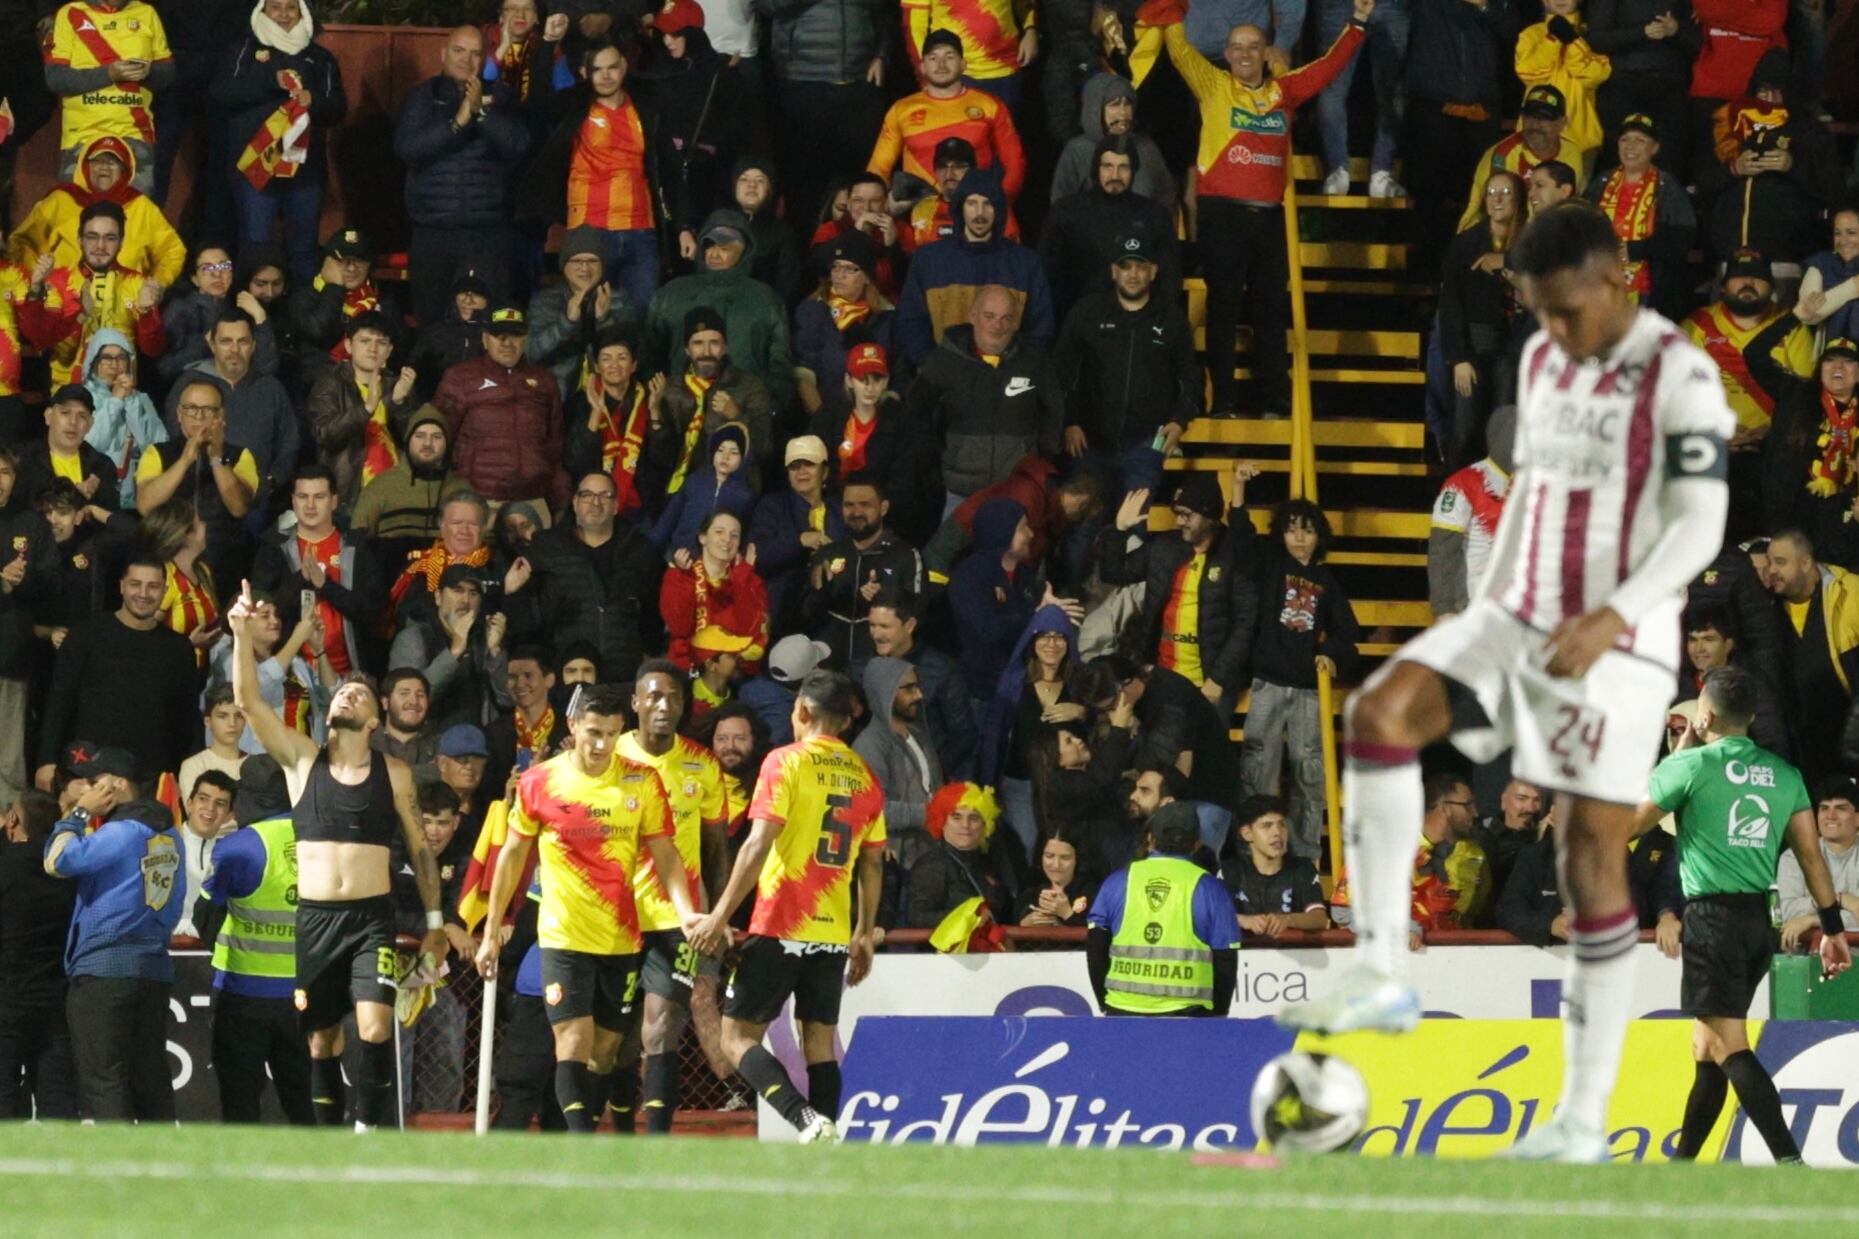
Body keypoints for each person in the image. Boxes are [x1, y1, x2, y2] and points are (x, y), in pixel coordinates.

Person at [1279, 205, 1736, 1165]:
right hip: (1526, 609)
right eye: (1538, 312)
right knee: (1377, 713)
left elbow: (1694, 528)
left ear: (1613, 276)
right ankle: (1380, 961)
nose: (1554, 332)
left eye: (1564, 307)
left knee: (1584, 849)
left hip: (1628, 629)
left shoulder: (1681, 376)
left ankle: (1577, 1118)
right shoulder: (1539, 364)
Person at [226, 580, 447, 1133]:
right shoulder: (303, 761)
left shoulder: (393, 773)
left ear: (375, 722)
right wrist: (238, 633)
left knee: (374, 1028)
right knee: (322, 1039)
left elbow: (421, 849)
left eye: (360, 694)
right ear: (330, 716)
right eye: (342, 693)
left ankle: (368, 1133)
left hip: (371, 919)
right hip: (316, 921)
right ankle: (328, 1145)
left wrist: (438, 921)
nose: (347, 695)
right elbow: (250, 703)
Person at [1637, 665, 1851, 1163]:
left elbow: (1632, 821)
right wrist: (1832, 930)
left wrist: (1678, 756)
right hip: (1759, 920)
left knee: (1728, 1046)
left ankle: (1789, 1161)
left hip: (1712, 920)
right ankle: (1681, 1168)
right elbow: (1811, 857)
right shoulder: (1785, 774)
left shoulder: (1691, 765)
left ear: (1703, 713)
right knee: (1706, 1052)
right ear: (1752, 716)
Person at [472, 683, 697, 1133]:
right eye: (593, 732)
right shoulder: (541, 782)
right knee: (572, 1041)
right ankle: (581, 1154)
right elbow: (513, 855)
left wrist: (686, 911)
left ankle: (589, 1137)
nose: (601, 745)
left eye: (612, 734)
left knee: (606, 1053)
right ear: (573, 726)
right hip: (563, 937)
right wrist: (492, 928)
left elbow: (666, 854)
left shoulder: (641, 781)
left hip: (620, 938)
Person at [684, 669, 887, 1143]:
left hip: (780, 924)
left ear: (801, 712)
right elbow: (873, 864)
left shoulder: (785, 762)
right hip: (833, 931)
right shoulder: (865, 776)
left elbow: (757, 844)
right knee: (819, 1045)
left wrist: (719, 916)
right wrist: (863, 932)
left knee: (736, 1038)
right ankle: (823, 1146)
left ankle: (804, 1119)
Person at [1151, 0, 1371, 415]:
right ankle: (1225, 401)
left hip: (1269, 217)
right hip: (1222, 214)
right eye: (1239, 47)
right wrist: (1171, 9)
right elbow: (1179, 50)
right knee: (1224, 307)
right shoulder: (1213, 85)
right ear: (1228, 54)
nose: (1247, 53)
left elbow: (1328, 67)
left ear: (1267, 52)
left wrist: (1357, 22)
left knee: (1271, 311)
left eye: (1255, 46)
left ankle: (1275, 398)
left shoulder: (1283, 93)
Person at [613, 662, 727, 1134]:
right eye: (654, 697)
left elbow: (718, 849)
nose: (663, 706)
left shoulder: (702, 765)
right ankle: (621, 1134)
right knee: (616, 1039)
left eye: (673, 698)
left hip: (675, 918)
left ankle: (656, 1144)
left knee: (660, 1027)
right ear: (636, 703)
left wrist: (718, 916)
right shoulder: (607, 755)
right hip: (612, 918)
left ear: (684, 704)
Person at [41, 753, 180, 1122]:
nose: (87, 788)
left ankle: (118, 1173)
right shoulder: (169, 835)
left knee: (104, 1080)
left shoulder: (120, 832)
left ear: (117, 785)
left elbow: (58, 861)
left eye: (95, 781)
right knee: (150, 1079)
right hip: (153, 970)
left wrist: (78, 813)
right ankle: (164, 1172)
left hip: (104, 970)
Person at [1239, 498, 1360, 859]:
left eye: (1307, 530)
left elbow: (1349, 630)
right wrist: (1240, 492)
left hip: (1308, 687)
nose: (1299, 538)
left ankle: (1305, 857)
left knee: (1310, 772)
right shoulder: (1272, 566)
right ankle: (1252, 854)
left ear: (1319, 535)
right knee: (1259, 767)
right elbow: (1242, 541)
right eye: (1291, 530)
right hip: (1268, 682)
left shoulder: (1325, 580)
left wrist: (1332, 653)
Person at [199, 754, 314, 1124]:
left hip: (244, 994)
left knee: (241, 1103)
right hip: (303, 995)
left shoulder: (239, 846)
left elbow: (206, 920)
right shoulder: (318, 836)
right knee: (302, 1102)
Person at [394, 25, 530, 329]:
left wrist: (481, 113)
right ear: (444, 54)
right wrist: (458, 122)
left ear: (483, 60)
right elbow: (407, 148)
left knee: (489, 326)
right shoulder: (423, 96)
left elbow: (518, 145)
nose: (466, 60)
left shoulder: (501, 96)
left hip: (487, 234)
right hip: (433, 232)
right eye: (458, 51)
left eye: (475, 53)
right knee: (433, 324)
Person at [1101, 471, 1260, 715]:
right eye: (1178, 514)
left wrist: (1218, 679)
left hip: (1209, 683)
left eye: (1187, 515)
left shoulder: (1233, 555)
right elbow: (1115, 573)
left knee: (1208, 752)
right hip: (1162, 677)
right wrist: (1119, 530)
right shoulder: (1164, 546)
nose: (1179, 521)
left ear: (1209, 516)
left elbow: (1245, 623)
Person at [36, 557, 198, 794]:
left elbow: (185, 719)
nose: (143, 593)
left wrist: (182, 775)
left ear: (165, 591)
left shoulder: (179, 648)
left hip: (150, 780)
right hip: (84, 772)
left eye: (153, 586)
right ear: (121, 586)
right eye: (135, 584)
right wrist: (46, 760)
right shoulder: (85, 635)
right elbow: (59, 701)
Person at [1053, 232, 1199, 496]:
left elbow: (1191, 376)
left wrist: (1180, 420)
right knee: (1083, 527)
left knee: (1135, 528)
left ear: (1153, 271)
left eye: (1141, 266)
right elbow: (1061, 372)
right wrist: (1069, 422)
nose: (1133, 274)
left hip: (1145, 443)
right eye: (1125, 266)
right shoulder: (1087, 312)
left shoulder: (1172, 320)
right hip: (1089, 442)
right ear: (1113, 271)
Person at [211, 0, 348, 281]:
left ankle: (303, 321)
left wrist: (315, 102)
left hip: (305, 173)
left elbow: (338, 107)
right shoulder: (244, 50)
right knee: (255, 248)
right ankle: (254, 320)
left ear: (303, 13)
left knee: (304, 251)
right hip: (256, 169)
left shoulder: (321, 57)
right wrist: (268, 81)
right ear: (261, 11)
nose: (284, 15)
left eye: (291, 8)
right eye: (275, 7)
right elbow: (221, 93)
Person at [908, 287, 1063, 509]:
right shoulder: (944, 361)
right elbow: (917, 412)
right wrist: (934, 465)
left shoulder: (1035, 359)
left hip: (1018, 490)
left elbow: (1053, 410)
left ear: (1016, 321)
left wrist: (1042, 462)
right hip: (959, 491)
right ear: (972, 315)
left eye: (1006, 318)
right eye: (989, 316)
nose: (997, 326)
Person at [1085, 801, 1240, 1016]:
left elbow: (1096, 948)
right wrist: (1219, 1015)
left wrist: (1105, 1003)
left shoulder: (1117, 882)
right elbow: (1226, 960)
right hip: (1188, 1014)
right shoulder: (1211, 889)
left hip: (1122, 1010)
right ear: (1197, 844)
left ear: (1150, 838)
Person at [515, 469, 663, 686]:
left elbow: (652, 612)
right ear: (574, 503)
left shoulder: (640, 550)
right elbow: (529, 612)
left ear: (615, 506)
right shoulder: (546, 547)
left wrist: (649, 653)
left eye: (605, 495)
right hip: (564, 672)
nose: (596, 502)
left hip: (623, 674)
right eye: (587, 495)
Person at [893, 167, 1054, 364]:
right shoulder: (928, 259)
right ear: (960, 207)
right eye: (972, 203)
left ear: (999, 209)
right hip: (944, 382)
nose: (979, 213)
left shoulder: (1025, 263)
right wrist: (934, 368)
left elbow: (1040, 328)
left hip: (1004, 383)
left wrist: (1016, 372)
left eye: (987, 204)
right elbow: (911, 322)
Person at [1679, 249, 1815, 467]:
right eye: (1738, 277)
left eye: (1758, 277)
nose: (1748, 283)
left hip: (1774, 447)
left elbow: (1804, 394)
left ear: (1771, 287)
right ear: (1723, 287)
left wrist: (1773, 432)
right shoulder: (1696, 326)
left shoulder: (1792, 327)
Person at [645, 215, 795, 411]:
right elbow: (649, 355)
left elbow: (780, 364)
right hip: (679, 411)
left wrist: (767, 410)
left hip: (744, 412)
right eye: (709, 246)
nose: (714, 254)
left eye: (724, 248)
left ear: (744, 252)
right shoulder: (672, 293)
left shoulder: (765, 299)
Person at [764, 0, 889, 231]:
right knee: (804, 182)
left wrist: (881, 54)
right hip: (802, 79)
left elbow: (884, 8)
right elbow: (766, 5)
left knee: (856, 179)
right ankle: (805, 255)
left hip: (859, 79)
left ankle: (856, 253)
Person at [251, 465, 382, 680]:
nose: (310, 505)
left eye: (319, 497)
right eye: (303, 497)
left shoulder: (358, 547)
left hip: (351, 676)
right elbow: (264, 613)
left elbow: (372, 611)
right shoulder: (273, 548)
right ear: (293, 501)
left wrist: (326, 585)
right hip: (291, 677)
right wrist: (301, 580)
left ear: (333, 501)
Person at [433, 305, 568, 512]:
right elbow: (439, 440)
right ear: (485, 339)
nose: (508, 343)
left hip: (533, 501)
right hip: (478, 501)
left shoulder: (545, 381)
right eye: (499, 335)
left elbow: (555, 447)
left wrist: (560, 499)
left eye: (515, 335)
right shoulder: (460, 378)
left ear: (526, 338)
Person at [866, 28, 1025, 202]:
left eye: (949, 57)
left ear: (963, 64)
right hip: (919, 216)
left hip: (974, 214)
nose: (941, 65)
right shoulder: (901, 109)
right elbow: (878, 169)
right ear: (923, 67)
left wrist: (999, 203)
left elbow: (1014, 162)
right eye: (933, 58)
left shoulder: (990, 105)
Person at [19, 201, 166, 388]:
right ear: (80, 240)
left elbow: (154, 349)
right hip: (68, 397)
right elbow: (39, 339)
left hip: (120, 396)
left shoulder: (138, 284)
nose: (100, 246)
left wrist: (147, 314)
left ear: (121, 242)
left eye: (110, 238)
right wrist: (37, 289)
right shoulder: (59, 281)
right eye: (92, 237)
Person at [4, 135, 184, 288]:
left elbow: (173, 250)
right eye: (97, 161)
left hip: (124, 306)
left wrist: (156, 284)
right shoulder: (61, 200)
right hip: (62, 304)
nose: (104, 167)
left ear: (125, 169)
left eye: (112, 162)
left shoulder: (141, 206)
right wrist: (39, 276)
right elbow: (21, 242)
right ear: (84, 166)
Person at [134, 378, 257, 589]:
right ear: (179, 415)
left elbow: (238, 507)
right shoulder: (156, 453)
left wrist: (217, 458)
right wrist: (184, 461)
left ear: (221, 416)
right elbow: (146, 505)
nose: (199, 417)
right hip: (166, 564)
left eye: (208, 410)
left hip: (223, 564)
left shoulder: (240, 455)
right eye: (191, 409)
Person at [1439, 171, 1525, 470]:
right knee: (1464, 425)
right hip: (1475, 344)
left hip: (1514, 345)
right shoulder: (1467, 243)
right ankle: (1454, 493)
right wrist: (1458, 357)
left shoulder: (1529, 239)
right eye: (1491, 192)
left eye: (1505, 192)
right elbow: (1450, 303)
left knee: (1504, 424)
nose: (1497, 199)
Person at [0, 791, 78, 1120]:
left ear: (14, 821)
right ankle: (59, 1169)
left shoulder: (6, 866)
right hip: (56, 1001)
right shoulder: (69, 872)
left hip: (7, 1000)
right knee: (57, 1096)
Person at [1038, 138, 1178, 320]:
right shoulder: (1066, 212)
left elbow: (1169, 280)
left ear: (1134, 170)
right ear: (1096, 168)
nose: (1115, 175)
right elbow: (1048, 277)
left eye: (1123, 167)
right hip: (1078, 323)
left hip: (1138, 323)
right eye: (1107, 166)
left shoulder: (1154, 216)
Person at [646, 307, 778, 494]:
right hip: (681, 490)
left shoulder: (750, 386)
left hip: (733, 489)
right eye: (698, 343)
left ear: (725, 348)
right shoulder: (669, 389)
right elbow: (662, 459)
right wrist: (655, 413)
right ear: (687, 350)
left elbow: (764, 451)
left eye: (714, 343)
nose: (706, 351)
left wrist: (737, 416)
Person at [44, 0, 174, 189]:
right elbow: (55, 78)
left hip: (135, 133)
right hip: (82, 135)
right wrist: (109, 74)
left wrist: (149, 73)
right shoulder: (70, 13)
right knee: (76, 212)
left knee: (133, 213)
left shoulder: (147, 13)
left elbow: (168, 73)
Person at [1762, 530, 1859, 782]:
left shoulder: (1850, 593)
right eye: (1770, 562)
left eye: (1781, 562)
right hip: (1797, 747)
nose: (1772, 570)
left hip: (1849, 737)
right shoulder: (1766, 607)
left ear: (1806, 563)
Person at [803, 477, 923, 672]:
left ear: (883, 508)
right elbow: (806, 615)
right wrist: (820, 593)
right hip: (829, 668)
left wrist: (885, 596)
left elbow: (917, 617)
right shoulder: (828, 553)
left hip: (879, 669)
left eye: (865, 505)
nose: (856, 512)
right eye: (849, 505)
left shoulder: (905, 555)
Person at [1584, 115, 1695, 321]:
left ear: (1655, 148)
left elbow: (1682, 240)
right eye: (1625, 139)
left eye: (1640, 140)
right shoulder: (1601, 182)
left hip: (1648, 292)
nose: (1630, 146)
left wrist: (1636, 249)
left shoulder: (1667, 187)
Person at [306, 312, 417, 512]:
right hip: (349, 494)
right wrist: (367, 408)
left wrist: (400, 403)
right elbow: (325, 434)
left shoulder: (398, 385)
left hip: (396, 491)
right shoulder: (330, 383)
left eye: (381, 343)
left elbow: (415, 443)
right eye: (365, 341)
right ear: (349, 346)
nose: (373, 349)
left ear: (390, 350)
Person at [1760, 337, 1859, 552]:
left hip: (1845, 515)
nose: (1838, 367)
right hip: (1793, 511)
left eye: (1849, 361)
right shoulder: (1797, 395)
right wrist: (1796, 317)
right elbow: (1755, 355)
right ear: (1820, 367)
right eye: (1830, 360)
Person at [389, 565, 512, 731]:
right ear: (438, 597)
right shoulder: (413, 638)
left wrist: (495, 651)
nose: (466, 600)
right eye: (457, 590)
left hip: (478, 743)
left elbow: (507, 700)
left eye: (473, 593)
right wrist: (454, 652)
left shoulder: (484, 639)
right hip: (428, 745)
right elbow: (406, 704)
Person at [869, 590, 976, 782]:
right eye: (872, 625)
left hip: (926, 781)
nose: (876, 634)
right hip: (875, 778)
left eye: (885, 626)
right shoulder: (863, 666)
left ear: (909, 625)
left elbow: (963, 733)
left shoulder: (940, 669)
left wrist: (932, 770)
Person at [349, 408, 470, 571]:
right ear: (408, 441)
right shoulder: (381, 486)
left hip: (449, 586)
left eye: (436, 437)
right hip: (390, 585)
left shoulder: (462, 491)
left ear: (447, 443)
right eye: (420, 436)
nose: (427, 444)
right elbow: (357, 545)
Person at [1458, 85, 1589, 232]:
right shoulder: (1503, 155)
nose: (1535, 125)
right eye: (1530, 116)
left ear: (1561, 124)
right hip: (1489, 234)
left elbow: (1566, 207)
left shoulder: (1571, 153)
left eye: (1545, 119)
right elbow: (1496, 217)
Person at [526, 226, 636, 399]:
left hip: (607, 398)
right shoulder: (545, 301)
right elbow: (531, 354)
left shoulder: (620, 300)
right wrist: (566, 323)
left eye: (592, 261)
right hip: (558, 398)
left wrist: (603, 319)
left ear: (602, 266)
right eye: (577, 261)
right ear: (564, 265)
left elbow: (631, 357)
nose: (585, 268)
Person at [748, 436, 844, 635]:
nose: (801, 472)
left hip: (833, 613)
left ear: (824, 471)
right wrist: (800, 541)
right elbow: (758, 557)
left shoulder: (839, 509)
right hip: (782, 613)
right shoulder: (771, 506)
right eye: (794, 466)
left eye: (808, 464)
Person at [1428, 405, 1515, 621]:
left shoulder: (1534, 486)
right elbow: (1443, 548)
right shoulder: (1463, 484)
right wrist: (1443, 607)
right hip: (1471, 608)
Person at [793, 233, 895, 414]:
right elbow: (805, 374)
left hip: (876, 419)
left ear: (867, 277)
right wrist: (823, 421)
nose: (840, 275)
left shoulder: (888, 317)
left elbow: (898, 375)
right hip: (826, 413)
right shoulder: (813, 310)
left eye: (850, 269)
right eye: (836, 267)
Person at [856, 657, 941, 870]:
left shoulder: (918, 734)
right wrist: (929, 813)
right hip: (895, 864)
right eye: (909, 689)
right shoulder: (870, 745)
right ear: (886, 691)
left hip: (928, 854)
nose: (919, 695)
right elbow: (873, 809)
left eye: (918, 686)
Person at [660, 510, 768, 675]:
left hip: (737, 672)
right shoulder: (681, 575)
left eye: (734, 535)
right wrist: (683, 579)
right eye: (719, 532)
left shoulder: (749, 580)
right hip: (688, 668)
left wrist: (741, 579)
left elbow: (750, 630)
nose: (727, 540)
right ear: (703, 537)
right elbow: (679, 628)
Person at [1049, 73, 1176, 210]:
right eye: (1114, 105)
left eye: (1127, 104)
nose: (1123, 113)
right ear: (1096, 109)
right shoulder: (1077, 151)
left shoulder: (1146, 148)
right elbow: (1060, 209)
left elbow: (1165, 200)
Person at [902, 781, 1014, 934]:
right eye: (956, 817)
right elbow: (917, 918)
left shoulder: (989, 863)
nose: (965, 825)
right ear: (942, 821)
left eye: (974, 818)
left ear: (984, 824)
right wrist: (968, 918)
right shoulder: (932, 864)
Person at [78, 328, 165, 511]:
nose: (114, 365)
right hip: (96, 496)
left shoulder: (141, 400)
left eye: (121, 357)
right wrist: (115, 401)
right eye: (106, 358)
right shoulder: (83, 399)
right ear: (94, 362)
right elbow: (90, 446)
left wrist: (131, 403)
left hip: (134, 498)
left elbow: (157, 446)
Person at [1221, 793, 1329, 935]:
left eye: (1282, 824)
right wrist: (1243, 920)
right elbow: (1212, 916)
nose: (1277, 832)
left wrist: (1288, 920)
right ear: (1247, 833)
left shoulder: (1302, 868)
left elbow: (1319, 918)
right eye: (1267, 826)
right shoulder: (1231, 870)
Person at [1777, 776, 1859, 947]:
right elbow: (1790, 912)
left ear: (1857, 818)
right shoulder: (1794, 856)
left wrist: (1812, 920)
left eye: (1841, 808)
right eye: (1824, 808)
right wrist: (1840, 900)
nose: (1831, 816)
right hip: (1807, 957)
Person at [16, 384, 117, 513]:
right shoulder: (22, 459)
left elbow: (112, 521)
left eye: (82, 416)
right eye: (65, 413)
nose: (73, 422)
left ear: (90, 425)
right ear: (48, 416)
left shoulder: (102, 466)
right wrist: (76, 497)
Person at [1471, 777, 1548, 902]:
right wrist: (1537, 843)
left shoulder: (1548, 835)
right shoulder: (1483, 834)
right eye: (1521, 799)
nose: (1530, 808)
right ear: (1504, 801)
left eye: (1537, 800)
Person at [1796, 207, 1859, 344]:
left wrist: (1828, 300)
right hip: (1832, 357)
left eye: (1851, 233)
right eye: (1837, 233)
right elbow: (1806, 313)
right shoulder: (1822, 262)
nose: (1843, 240)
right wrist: (1853, 287)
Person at [1013, 829, 1095, 928]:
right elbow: (1005, 933)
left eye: (1065, 858)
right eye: (1049, 856)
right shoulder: (1029, 891)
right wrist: (1023, 925)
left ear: (1077, 859)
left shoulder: (1094, 892)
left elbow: (1100, 933)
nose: (1056, 865)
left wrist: (1067, 914)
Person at [372, 668, 436, 770]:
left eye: (420, 695)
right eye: (404, 693)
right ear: (385, 703)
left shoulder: (443, 745)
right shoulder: (367, 744)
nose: (414, 701)